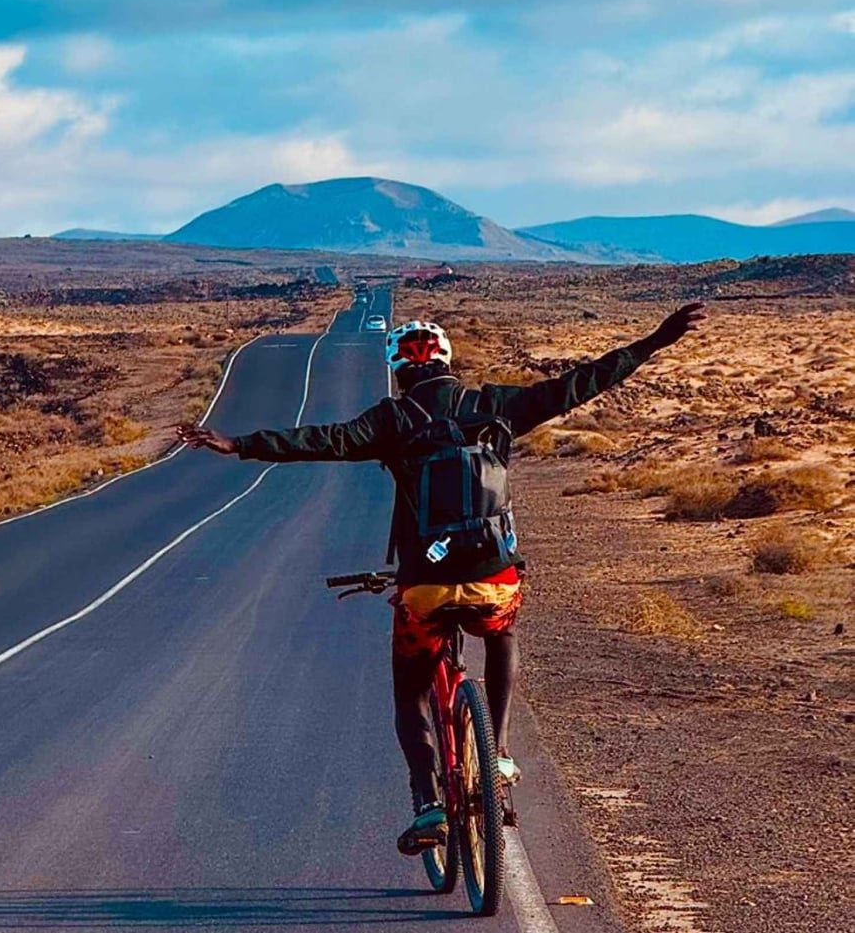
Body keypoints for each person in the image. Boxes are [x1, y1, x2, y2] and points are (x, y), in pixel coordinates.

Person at [178, 301, 706, 854]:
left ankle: (427, 801)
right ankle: (497, 752)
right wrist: (656, 340)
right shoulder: (494, 405)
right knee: (502, 636)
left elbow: (318, 440)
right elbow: (579, 384)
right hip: (492, 576)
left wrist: (239, 444)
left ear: (398, 370)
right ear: (448, 360)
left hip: (424, 586)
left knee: (410, 693)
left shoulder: (390, 420)